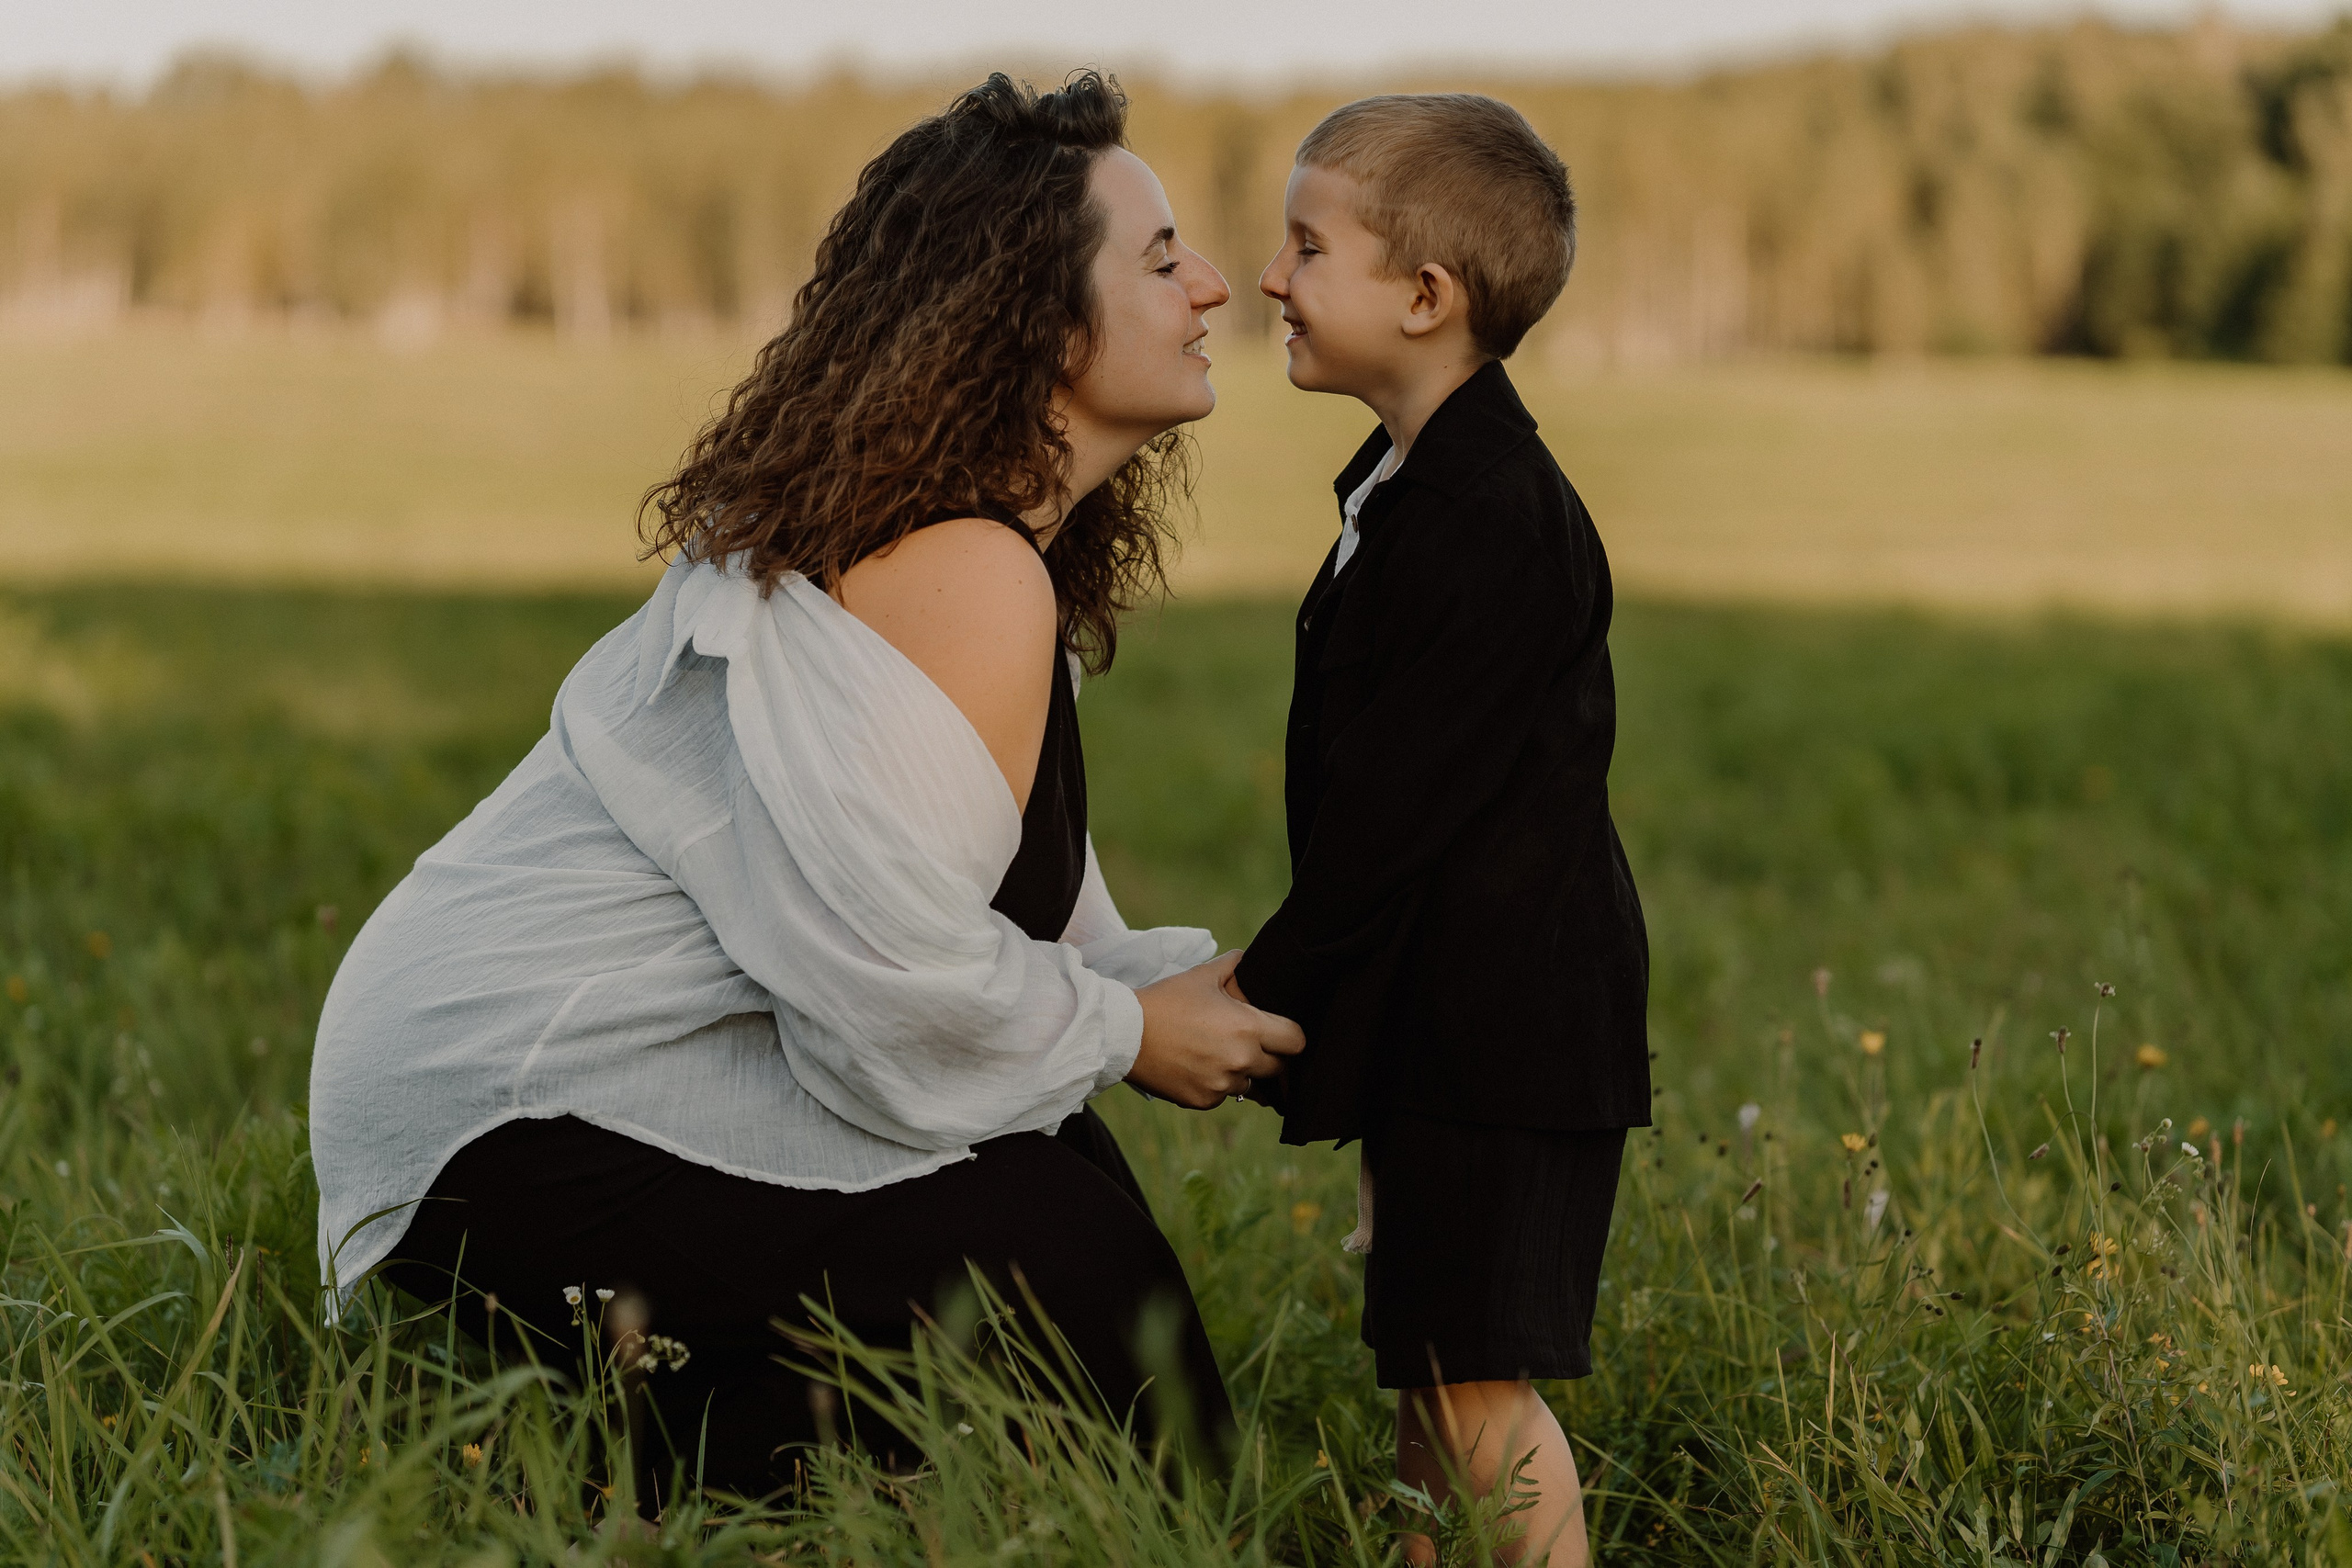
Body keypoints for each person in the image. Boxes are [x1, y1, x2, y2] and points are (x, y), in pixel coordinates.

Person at [307, 71, 1305, 1506]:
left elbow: (1027, 939)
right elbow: (890, 989)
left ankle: (652, 1463)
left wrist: (1241, 1006)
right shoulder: (964, 567)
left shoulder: (978, 550)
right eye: (1157, 258)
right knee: (1072, 1267)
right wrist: (1134, 1033)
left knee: (1061, 1190)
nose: (1215, 284)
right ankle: (623, 1478)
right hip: (503, 1112)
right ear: (1033, 314)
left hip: (490, 1082)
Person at [1227, 95, 1652, 1566]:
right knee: (1429, 1382)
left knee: (1477, 1401)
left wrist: (1257, 994)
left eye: (1305, 245)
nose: (1267, 276)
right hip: (1446, 1022)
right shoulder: (1403, 486)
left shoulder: (1495, 517)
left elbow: (1397, 811)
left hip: (1509, 1032)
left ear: (1425, 297)